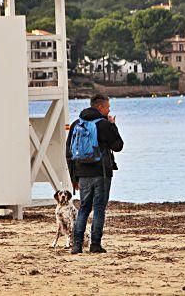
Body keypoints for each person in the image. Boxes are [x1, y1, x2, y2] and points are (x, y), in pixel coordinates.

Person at [66, 94, 124, 254]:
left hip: (82, 173)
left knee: (84, 208)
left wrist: (73, 177)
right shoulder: (104, 125)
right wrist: (113, 125)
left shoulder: (76, 124)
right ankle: (95, 244)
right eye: (107, 107)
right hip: (101, 173)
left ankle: (77, 245)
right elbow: (118, 145)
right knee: (99, 208)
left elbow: (69, 153)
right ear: (100, 107)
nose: (109, 110)